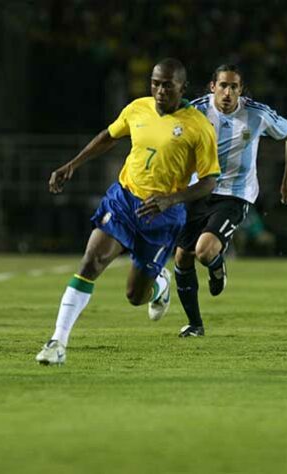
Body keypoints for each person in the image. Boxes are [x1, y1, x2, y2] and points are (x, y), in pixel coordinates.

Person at [35, 58, 220, 365]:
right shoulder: (138, 108)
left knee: (135, 296)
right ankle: (57, 342)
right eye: (155, 83)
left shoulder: (198, 127)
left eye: (167, 85)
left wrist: (170, 200)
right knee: (91, 262)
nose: (160, 90)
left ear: (182, 87)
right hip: (123, 200)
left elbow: (210, 182)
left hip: (162, 216)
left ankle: (159, 283)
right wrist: (73, 165)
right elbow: (109, 136)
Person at [173, 64, 287, 337]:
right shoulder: (194, 111)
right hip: (199, 190)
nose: (227, 92)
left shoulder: (256, 113)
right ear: (212, 87)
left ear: (241, 91)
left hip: (235, 193)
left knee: (205, 251)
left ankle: (217, 266)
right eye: (223, 85)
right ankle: (195, 324)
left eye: (234, 87)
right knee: (183, 257)